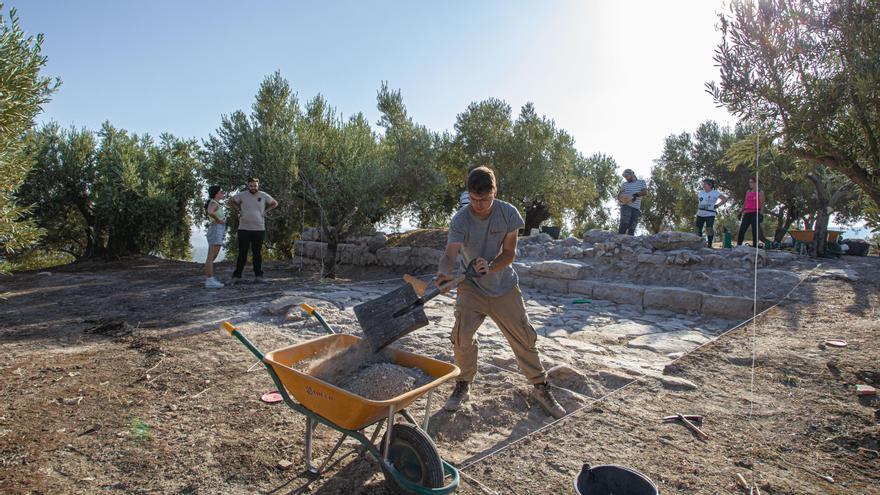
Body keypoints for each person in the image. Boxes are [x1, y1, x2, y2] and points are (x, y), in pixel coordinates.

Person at [436, 166, 566, 419]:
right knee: (461, 336)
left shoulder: (508, 213)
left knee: (524, 338)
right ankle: (463, 383)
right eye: (474, 199)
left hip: (504, 286)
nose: (479, 205)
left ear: (494, 192)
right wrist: (444, 274)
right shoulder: (461, 218)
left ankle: (541, 387)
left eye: (484, 199)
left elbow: (509, 253)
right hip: (470, 286)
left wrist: (491, 266)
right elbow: (450, 253)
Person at [228, 177, 278, 283]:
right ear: (248, 186)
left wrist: (265, 212)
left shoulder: (263, 195)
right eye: (251, 185)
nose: (253, 187)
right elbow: (231, 201)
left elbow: (275, 203)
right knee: (242, 253)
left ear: (258, 185)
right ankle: (237, 276)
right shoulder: (242, 195)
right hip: (244, 228)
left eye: (255, 185)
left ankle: (258, 276)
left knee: (257, 253)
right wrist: (238, 210)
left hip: (259, 229)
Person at [203, 186, 226, 288]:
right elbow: (210, 212)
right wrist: (218, 220)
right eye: (221, 192)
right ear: (216, 193)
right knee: (211, 256)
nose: (223, 193)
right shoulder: (213, 203)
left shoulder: (215, 203)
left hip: (218, 229)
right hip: (216, 229)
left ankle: (210, 278)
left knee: (213, 256)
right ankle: (210, 280)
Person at [695, 179, 727, 248]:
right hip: (700, 213)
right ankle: (699, 243)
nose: (703, 185)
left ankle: (709, 244)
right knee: (698, 228)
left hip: (710, 213)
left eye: (705, 184)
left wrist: (717, 205)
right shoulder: (701, 192)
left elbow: (724, 199)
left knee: (709, 228)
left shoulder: (715, 192)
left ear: (710, 185)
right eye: (703, 184)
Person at [737, 176, 766, 247]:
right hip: (747, 213)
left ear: (756, 183)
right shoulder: (748, 192)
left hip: (755, 213)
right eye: (749, 182)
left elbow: (762, 204)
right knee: (742, 230)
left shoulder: (760, 192)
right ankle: (739, 245)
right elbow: (745, 202)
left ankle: (755, 246)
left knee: (755, 231)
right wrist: (741, 212)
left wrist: (761, 214)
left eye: (751, 182)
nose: (750, 184)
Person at [617, 169, 648, 235]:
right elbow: (619, 196)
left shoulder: (641, 182)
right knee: (624, 222)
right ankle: (619, 238)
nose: (626, 178)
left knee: (632, 227)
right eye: (624, 176)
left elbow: (644, 192)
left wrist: (635, 195)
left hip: (636, 207)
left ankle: (629, 243)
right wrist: (623, 198)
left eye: (627, 176)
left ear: (632, 174)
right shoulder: (624, 184)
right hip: (626, 206)